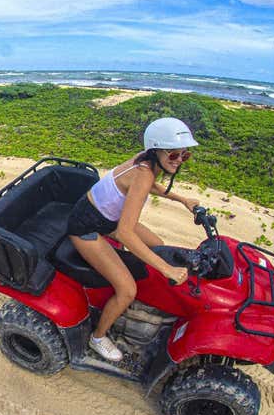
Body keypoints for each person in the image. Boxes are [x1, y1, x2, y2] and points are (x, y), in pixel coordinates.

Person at [67, 117, 200, 362]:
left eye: (185, 155)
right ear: (157, 150)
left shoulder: (147, 161)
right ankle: (98, 337)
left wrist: (182, 200)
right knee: (127, 290)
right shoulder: (143, 174)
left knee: (158, 245)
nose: (179, 161)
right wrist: (168, 270)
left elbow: (152, 186)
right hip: (87, 227)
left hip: (108, 218)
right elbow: (126, 231)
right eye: (173, 155)